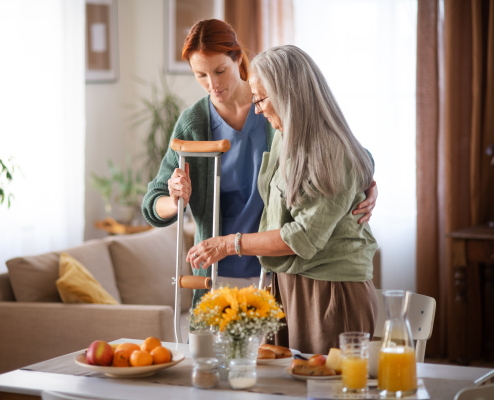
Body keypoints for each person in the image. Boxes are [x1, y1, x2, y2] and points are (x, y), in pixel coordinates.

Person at [141, 19, 377, 308]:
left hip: (277, 272)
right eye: (200, 75)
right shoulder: (193, 124)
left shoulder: (274, 107)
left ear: (237, 58)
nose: (212, 85)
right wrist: (176, 199)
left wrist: (367, 183)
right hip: (217, 272)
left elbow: (343, 153)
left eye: (219, 71)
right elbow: (153, 204)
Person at [185, 45, 379, 355]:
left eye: (261, 99)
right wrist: (366, 179)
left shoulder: (332, 151)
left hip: (329, 293)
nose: (257, 109)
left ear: (290, 96)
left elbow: (301, 237)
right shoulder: (285, 137)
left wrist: (227, 244)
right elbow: (356, 163)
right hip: (286, 286)